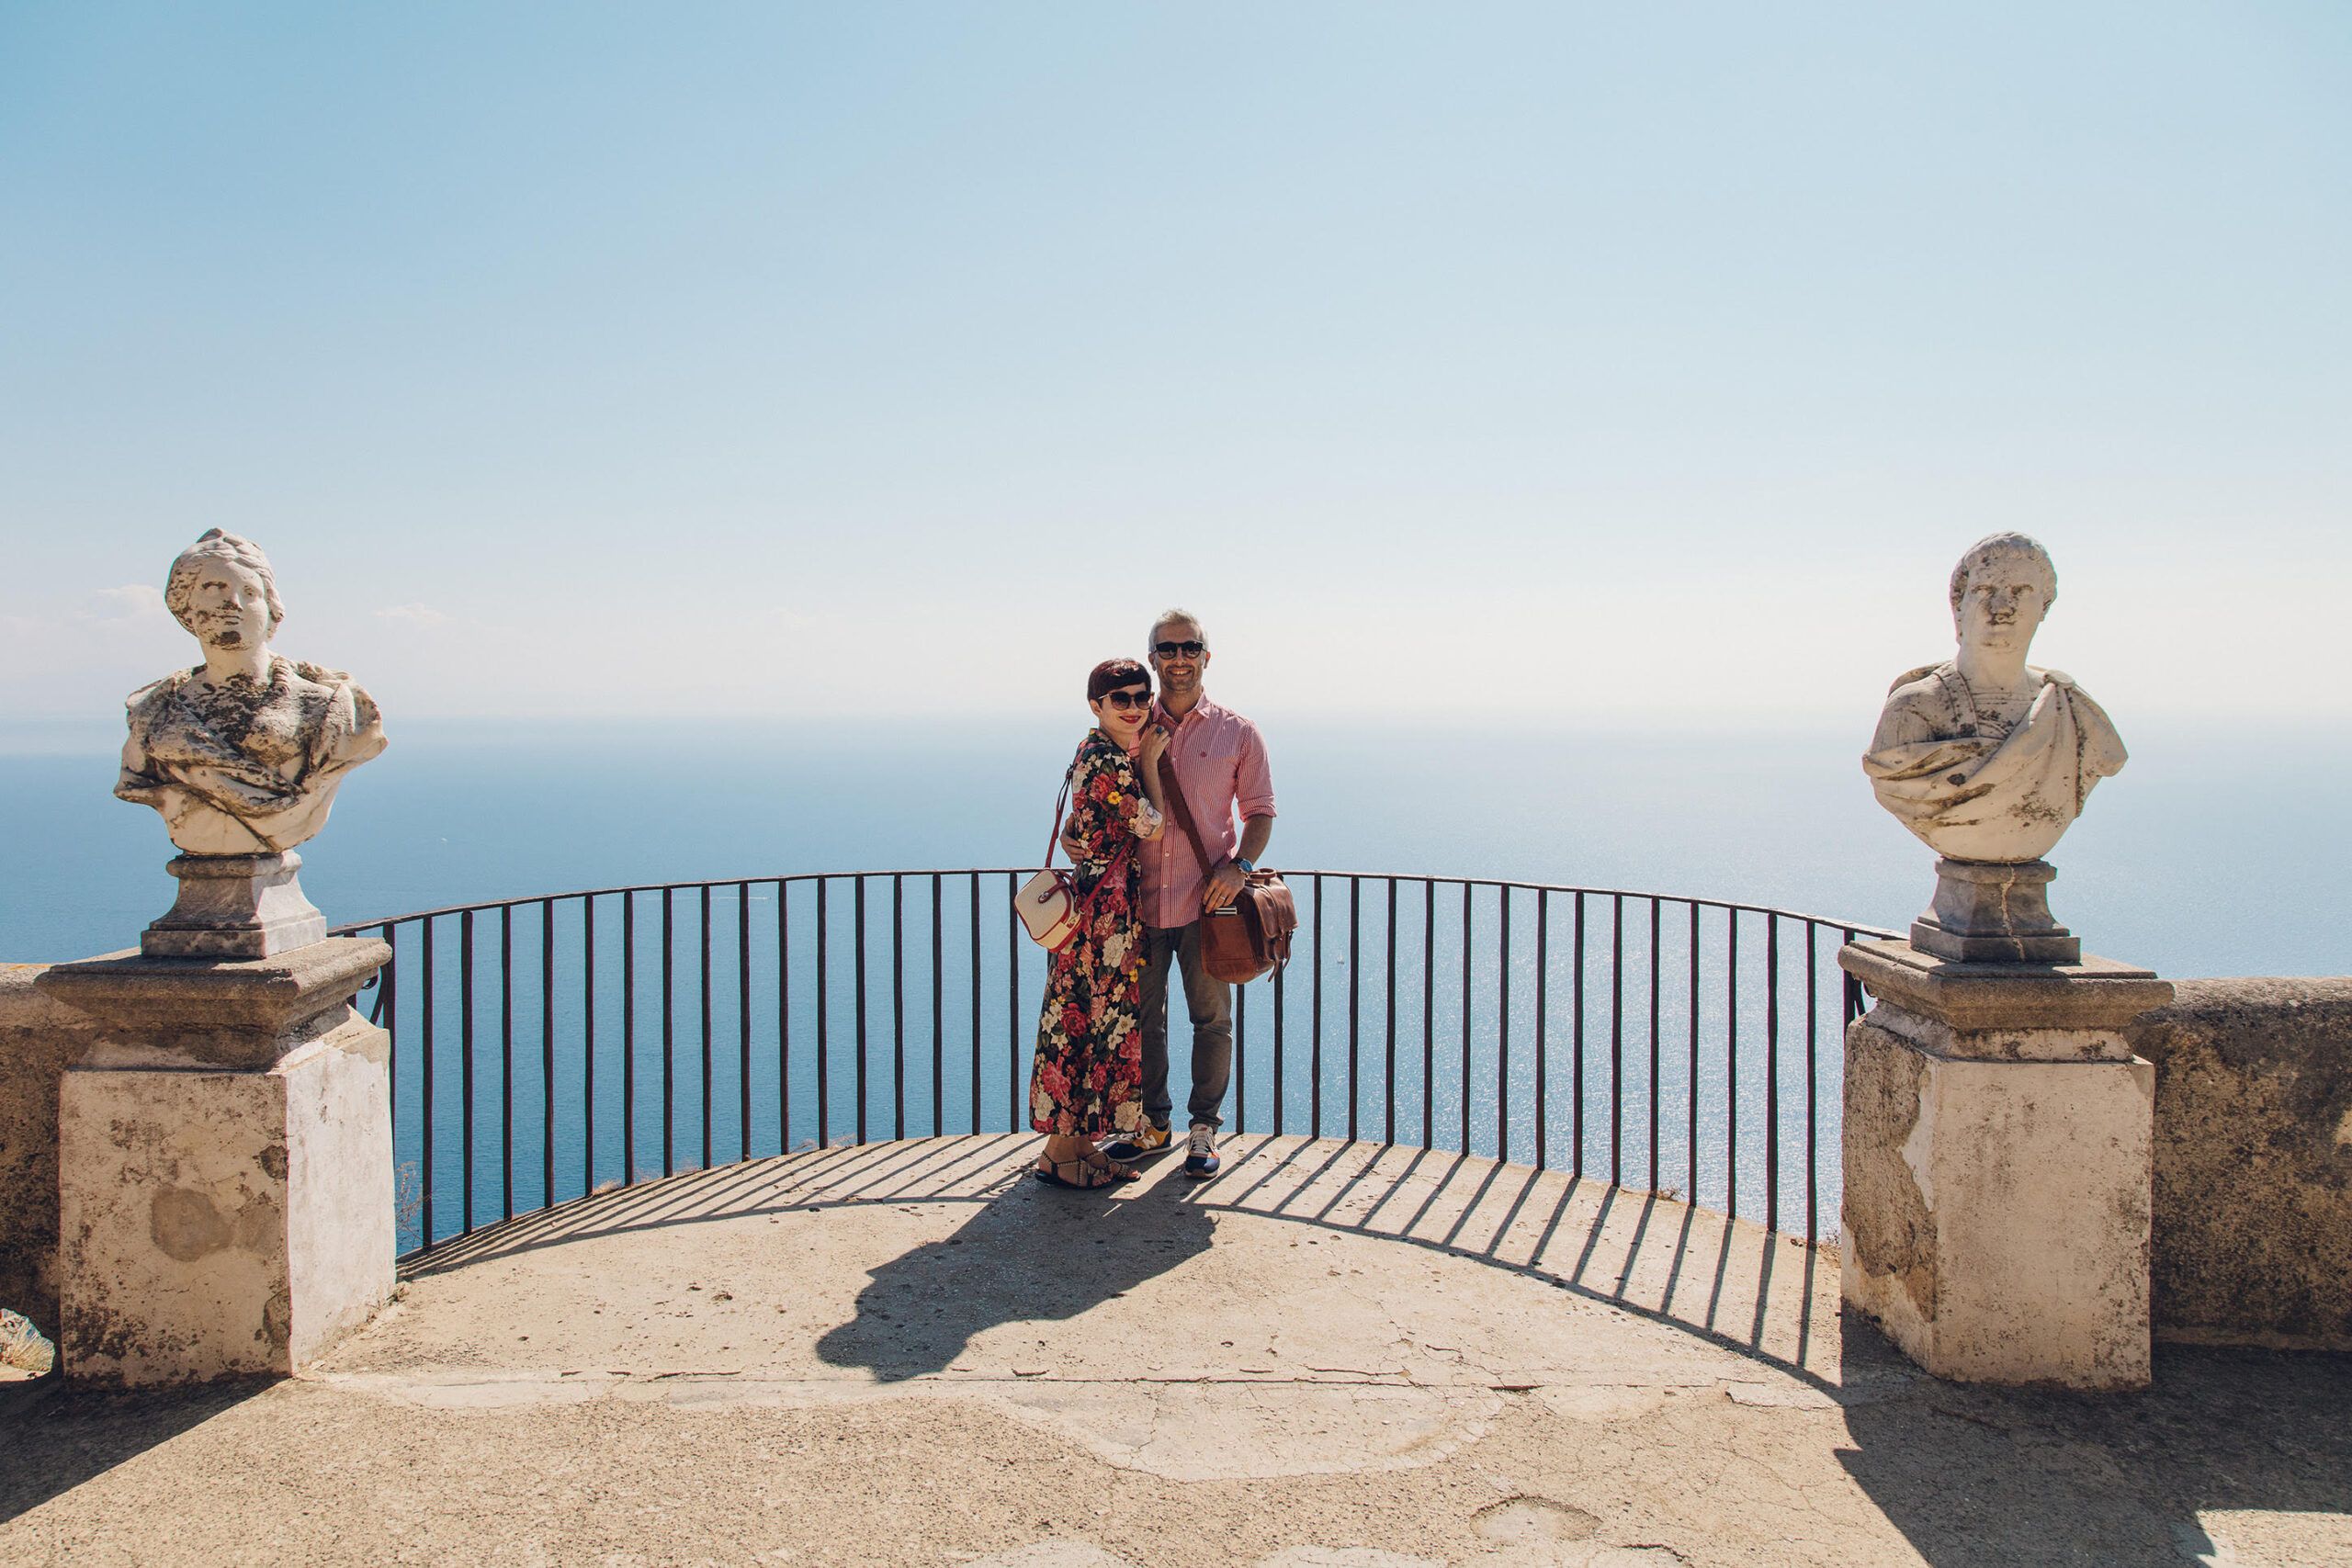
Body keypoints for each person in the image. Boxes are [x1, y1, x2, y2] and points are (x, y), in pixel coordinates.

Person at [1102, 609, 1275, 1179]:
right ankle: (1154, 1124)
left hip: (1208, 903)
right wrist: (1082, 844)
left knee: (1211, 1021)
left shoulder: (1238, 732)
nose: (1179, 658)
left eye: (1189, 647)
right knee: (1143, 1021)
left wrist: (1241, 866)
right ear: (1153, 657)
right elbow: (1100, 800)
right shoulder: (1129, 725)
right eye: (1168, 648)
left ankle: (1204, 1129)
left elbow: (1259, 812)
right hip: (1140, 902)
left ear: (1206, 655)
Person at [117, 529, 387, 855]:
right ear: (185, 606)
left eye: (249, 592)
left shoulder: (328, 708)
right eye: (214, 588)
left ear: (271, 608)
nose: (232, 603)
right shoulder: (154, 711)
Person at [1863, 532, 2126, 863]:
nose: (2002, 608)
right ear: (1960, 605)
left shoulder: (2071, 710)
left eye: (2021, 592)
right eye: (1985, 591)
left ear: (2043, 606)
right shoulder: (1914, 709)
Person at [1027, 658, 1170, 1190]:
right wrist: (1151, 764)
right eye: (1122, 699)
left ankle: (1081, 1148)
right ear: (1097, 705)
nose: (1134, 707)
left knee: (1091, 1021)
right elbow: (1150, 827)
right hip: (1101, 918)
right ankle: (1062, 1154)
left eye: (1141, 696)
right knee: (1082, 1026)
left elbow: (1088, 819)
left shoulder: (1099, 751)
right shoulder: (1108, 758)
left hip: (1102, 908)